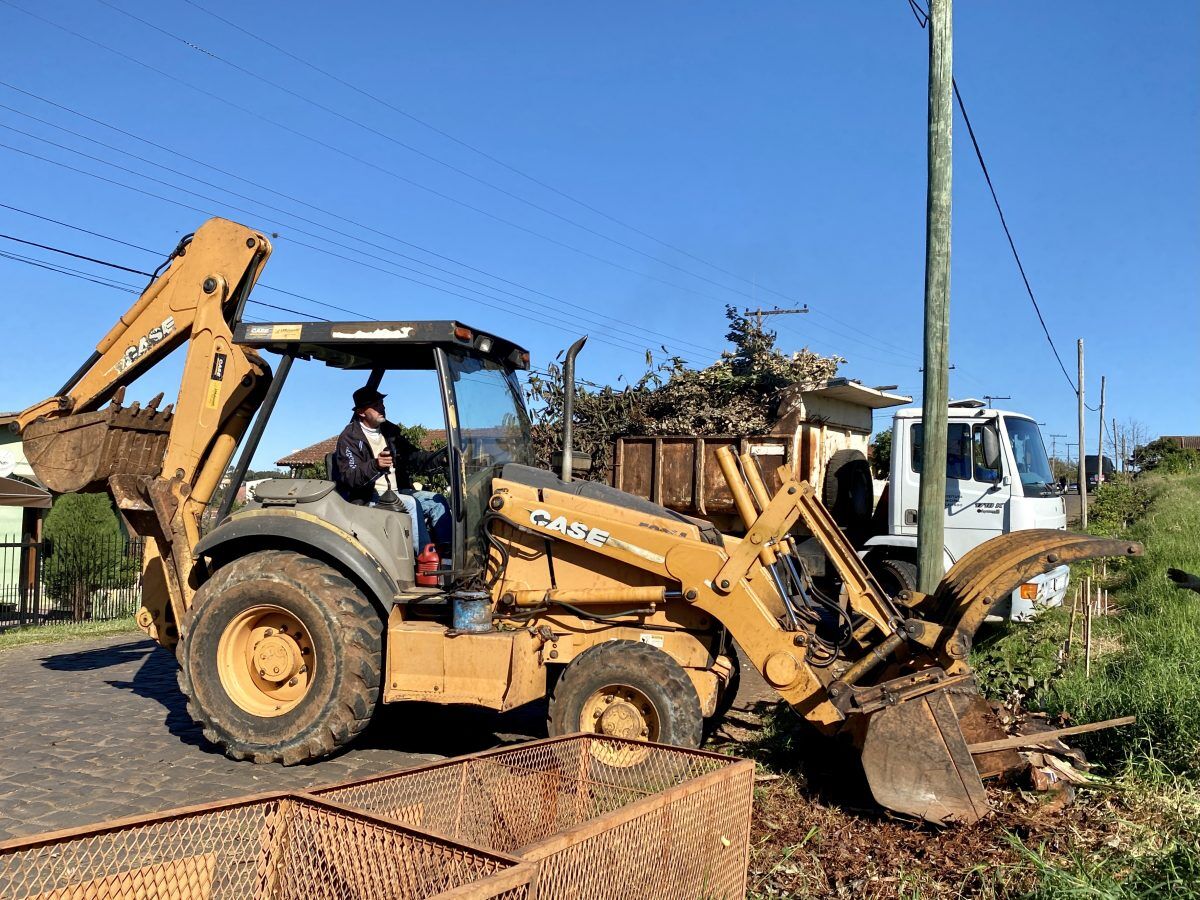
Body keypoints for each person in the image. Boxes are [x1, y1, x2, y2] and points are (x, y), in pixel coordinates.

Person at [334, 386, 451, 558]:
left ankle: (448, 556)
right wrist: (376, 465)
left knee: (437, 501)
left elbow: (414, 456)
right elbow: (350, 476)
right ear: (361, 412)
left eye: (381, 403)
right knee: (410, 503)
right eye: (375, 405)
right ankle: (425, 560)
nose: (382, 407)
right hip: (368, 497)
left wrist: (441, 460)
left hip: (397, 491)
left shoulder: (390, 432)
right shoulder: (349, 438)